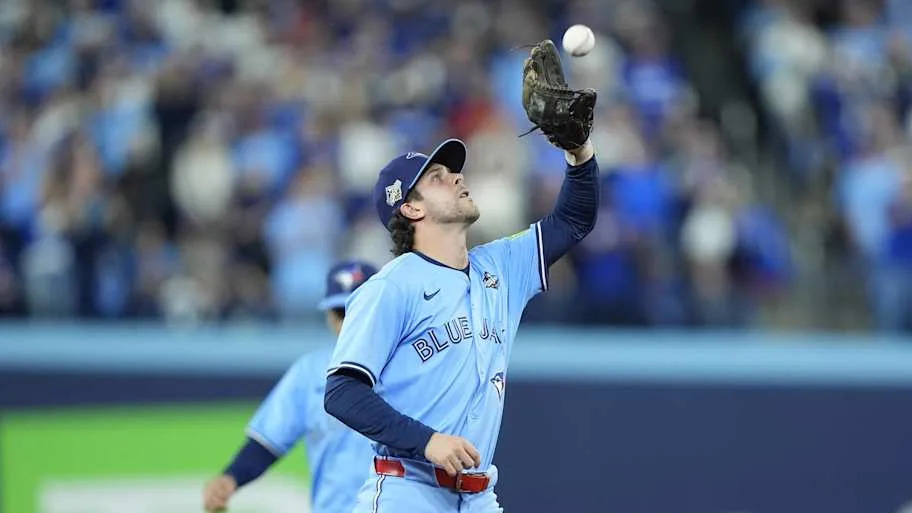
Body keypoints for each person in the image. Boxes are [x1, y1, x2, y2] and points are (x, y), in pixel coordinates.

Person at [323, 124, 599, 512]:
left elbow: (572, 220)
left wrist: (579, 152)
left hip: (479, 496)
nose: (457, 178)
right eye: (438, 178)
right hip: (409, 490)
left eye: (453, 172)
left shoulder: (501, 267)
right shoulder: (391, 286)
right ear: (411, 207)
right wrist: (428, 441)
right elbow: (342, 393)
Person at [203, 261, 378, 513]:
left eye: (359, 310)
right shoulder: (310, 373)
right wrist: (231, 477)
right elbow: (268, 441)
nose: (348, 322)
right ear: (329, 317)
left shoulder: (411, 369)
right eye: (341, 313)